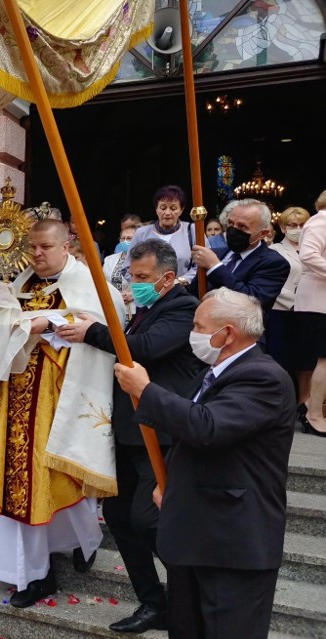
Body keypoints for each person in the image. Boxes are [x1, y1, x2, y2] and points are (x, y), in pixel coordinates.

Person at [0, 219, 124, 608]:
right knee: (21, 489)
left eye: (45, 247)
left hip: (61, 404)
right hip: (14, 403)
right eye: (32, 247)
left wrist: (53, 323)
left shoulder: (92, 287)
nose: (37, 254)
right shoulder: (21, 283)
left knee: (64, 476)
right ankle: (33, 574)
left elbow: (105, 330)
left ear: (68, 246)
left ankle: (83, 541)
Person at [114, 288, 296, 639]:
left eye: (198, 326)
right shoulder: (212, 373)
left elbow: (206, 426)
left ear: (227, 333)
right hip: (194, 533)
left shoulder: (264, 377)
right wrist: (167, 480)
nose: (192, 334)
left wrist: (146, 390)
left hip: (231, 543)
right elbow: (188, 438)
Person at [57, 239, 202, 633]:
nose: (135, 284)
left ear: (168, 278)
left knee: (149, 519)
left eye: (143, 278)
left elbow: (143, 349)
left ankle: (195, 590)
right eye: (133, 276)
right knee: (120, 517)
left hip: (161, 435)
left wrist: (92, 332)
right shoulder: (145, 308)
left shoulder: (182, 307)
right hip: (128, 430)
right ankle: (153, 602)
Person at [189, 198, 290, 318]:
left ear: (262, 234)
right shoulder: (216, 253)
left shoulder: (274, 263)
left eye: (242, 227)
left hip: (239, 332)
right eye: (231, 223)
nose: (233, 230)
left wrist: (215, 266)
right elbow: (195, 292)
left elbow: (251, 301)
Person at [267, 206, 314, 418]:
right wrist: (296, 301)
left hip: (310, 312)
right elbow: (275, 284)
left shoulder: (316, 249)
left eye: (302, 225)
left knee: (307, 362)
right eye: (292, 225)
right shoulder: (275, 251)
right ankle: (280, 408)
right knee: (281, 361)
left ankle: (304, 405)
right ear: (283, 228)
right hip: (283, 312)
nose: (297, 229)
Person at [297, 189, 326, 435]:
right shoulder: (320, 221)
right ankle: (314, 413)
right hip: (318, 302)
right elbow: (308, 256)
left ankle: (312, 405)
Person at [124, 185, 195, 279]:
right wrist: (142, 285)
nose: (167, 213)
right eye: (163, 207)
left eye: (173, 208)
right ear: (156, 209)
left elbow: (201, 266)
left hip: (182, 290)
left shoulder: (192, 230)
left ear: (181, 210)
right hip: (148, 291)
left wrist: (180, 281)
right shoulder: (141, 234)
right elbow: (127, 268)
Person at [103, 223, 138, 319]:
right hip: (113, 309)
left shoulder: (146, 260)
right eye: (123, 238)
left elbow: (154, 285)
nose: (125, 241)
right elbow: (103, 285)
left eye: (130, 238)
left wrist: (134, 295)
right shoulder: (109, 260)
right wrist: (116, 296)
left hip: (136, 310)